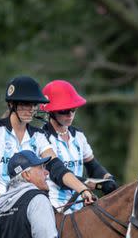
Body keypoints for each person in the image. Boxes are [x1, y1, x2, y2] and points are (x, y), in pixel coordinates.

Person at [0, 76, 95, 228]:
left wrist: (82, 189)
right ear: (11, 104)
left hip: (30, 205)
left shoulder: (38, 136)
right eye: (25, 104)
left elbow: (57, 168)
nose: (31, 109)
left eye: (34, 104)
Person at [40, 80, 117, 212]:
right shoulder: (41, 137)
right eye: (64, 110)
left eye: (73, 109)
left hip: (81, 202)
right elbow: (58, 173)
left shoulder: (79, 136)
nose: (70, 114)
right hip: (55, 205)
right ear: (51, 112)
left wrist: (107, 179)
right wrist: (88, 183)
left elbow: (93, 166)